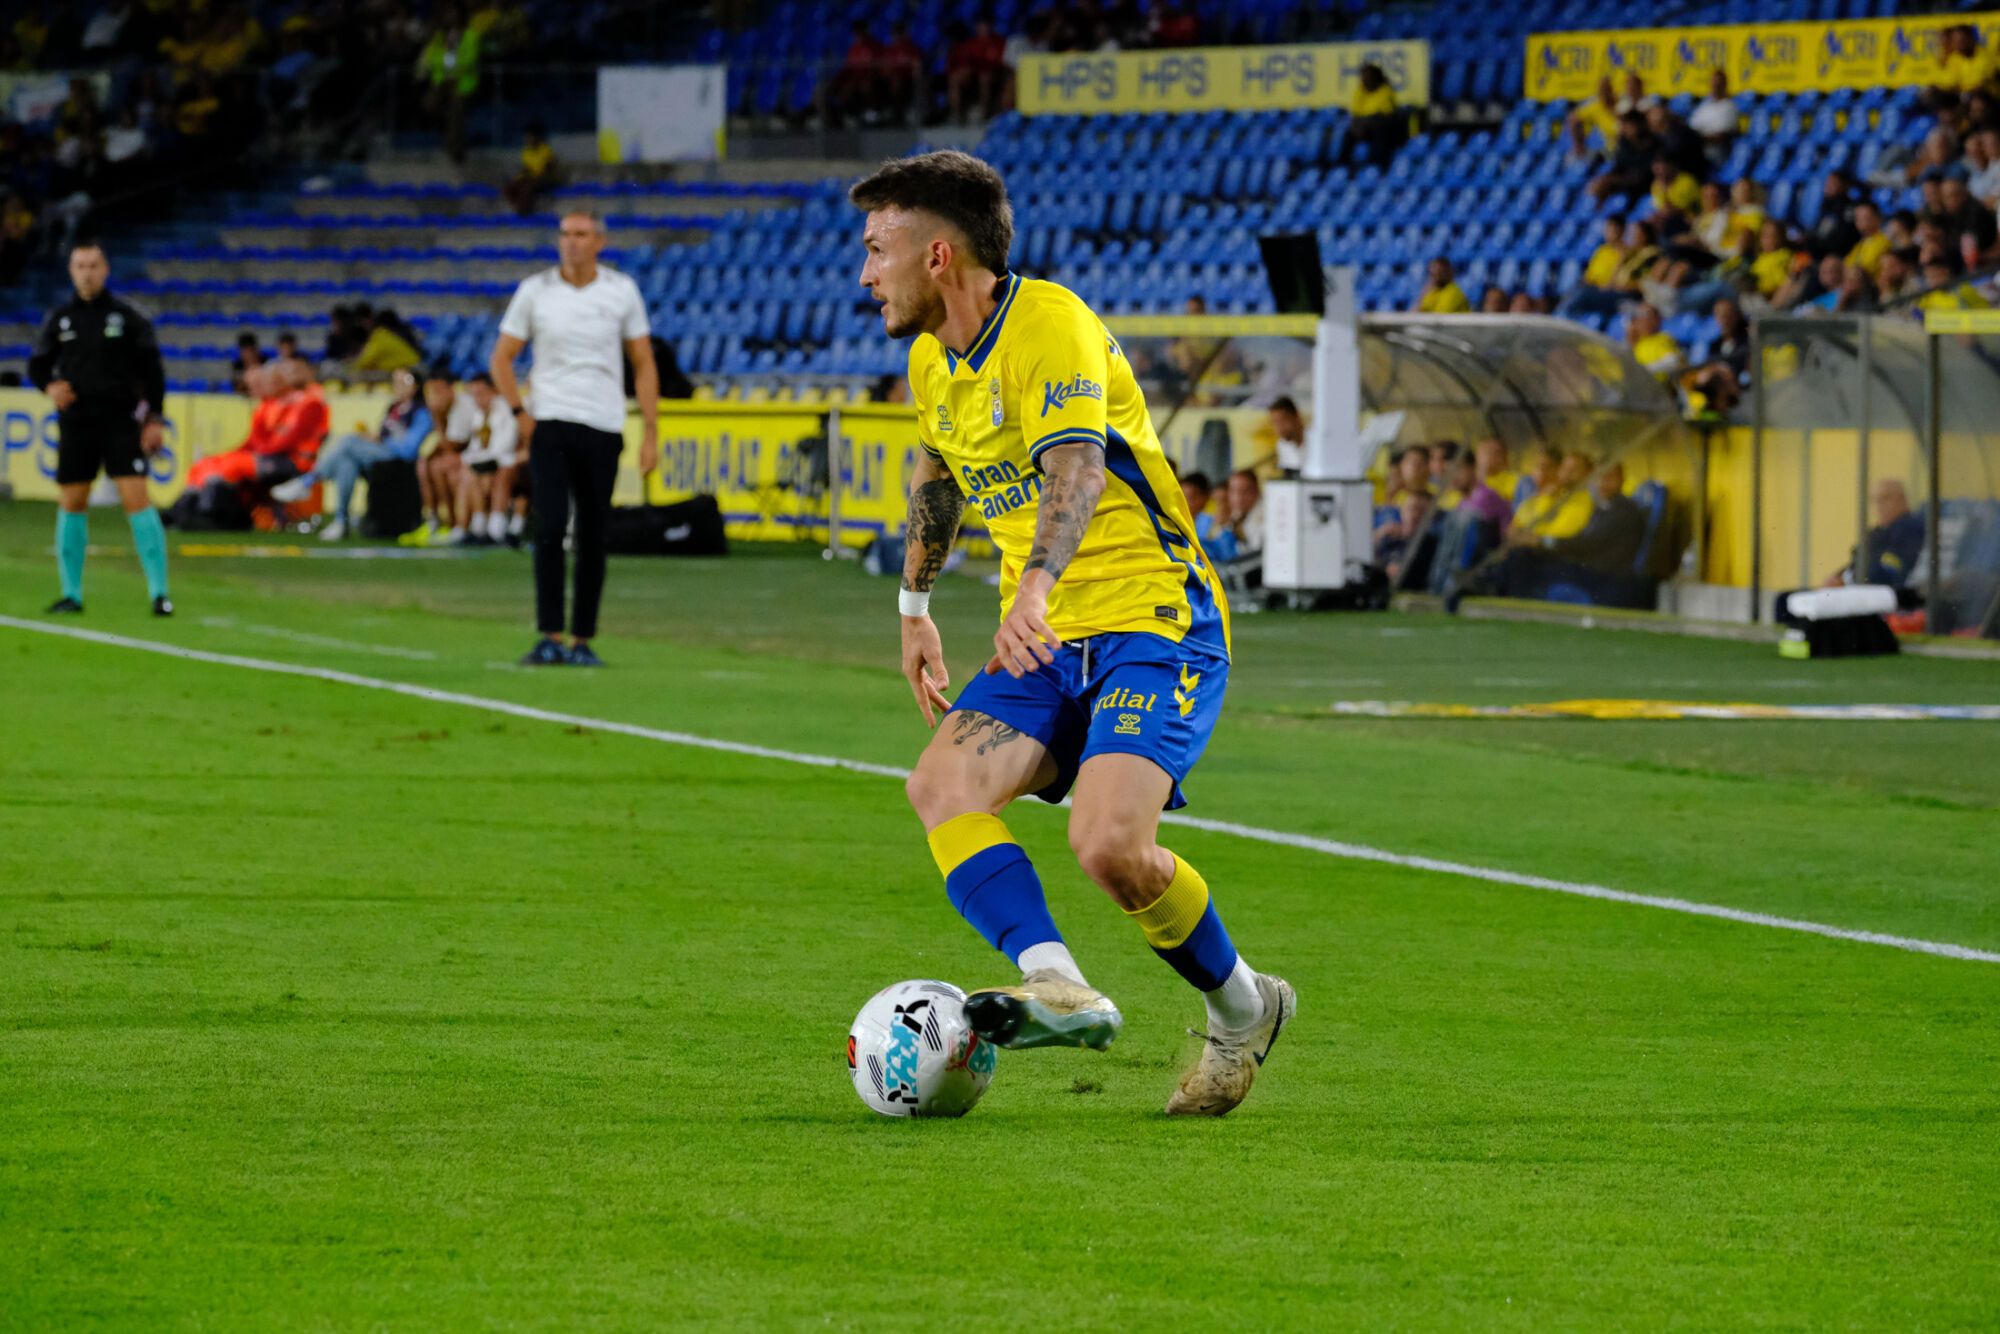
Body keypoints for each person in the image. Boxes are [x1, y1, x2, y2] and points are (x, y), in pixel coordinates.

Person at [851, 150, 1292, 1117]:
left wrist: (1035, 588)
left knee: (1108, 846)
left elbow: (1078, 470)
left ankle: (1244, 1008)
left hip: (1152, 618)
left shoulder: (1050, 325)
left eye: (878, 249)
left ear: (937, 255)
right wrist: (915, 611)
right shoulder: (931, 361)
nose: (865, 273)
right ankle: (1056, 981)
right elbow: (936, 474)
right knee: (940, 785)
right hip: (1046, 637)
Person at [492, 210, 657, 667]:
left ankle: (582, 638)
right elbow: (502, 357)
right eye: (565, 234)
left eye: (581, 234)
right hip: (551, 420)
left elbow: (643, 362)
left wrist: (651, 431)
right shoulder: (535, 291)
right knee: (548, 527)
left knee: (592, 533)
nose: (571, 242)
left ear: (599, 242)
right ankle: (549, 634)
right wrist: (519, 413)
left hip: (603, 422)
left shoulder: (621, 291)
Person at [27, 240, 172, 616]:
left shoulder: (127, 316)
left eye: (93, 266)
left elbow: (153, 371)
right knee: (72, 501)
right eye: (80, 266)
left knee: (136, 498)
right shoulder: (61, 318)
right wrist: (49, 386)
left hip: (120, 421)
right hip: (77, 422)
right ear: (71, 271)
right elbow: (38, 365)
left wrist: (154, 418)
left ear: (105, 270)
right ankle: (71, 593)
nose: (87, 273)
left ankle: (160, 593)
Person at [271, 366, 430, 540]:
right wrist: (373, 438)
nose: (397, 386)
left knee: (349, 442)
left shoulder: (421, 412)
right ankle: (341, 520)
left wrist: (381, 440)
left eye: (403, 382)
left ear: (416, 386)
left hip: (400, 463)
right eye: (395, 381)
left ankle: (308, 481)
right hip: (381, 458)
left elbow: (409, 450)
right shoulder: (394, 408)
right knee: (346, 462)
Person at [447, 371, 520, 546]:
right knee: (465, 473)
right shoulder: (479, 415)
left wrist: (471, 460)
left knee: (480, 473)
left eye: (481, 394)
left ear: (493, 391)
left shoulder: (506, 410)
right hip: (489, 463)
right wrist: (469, 460)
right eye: (474, 395)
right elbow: (475, 447)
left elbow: (503, 448)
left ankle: (486, 527)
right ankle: (472, 526)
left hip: (509, 462)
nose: (478, 399)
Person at [1845, 479, 1927, 587]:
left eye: (1885, 498)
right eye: (1875, 500)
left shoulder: (1909, 528)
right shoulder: (1879, 531)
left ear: (1902, 499)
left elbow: (1888, 573)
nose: (1879, 505)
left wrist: (1847, 579)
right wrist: (1839, 576)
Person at [1349, 62, 1403, 167]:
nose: (1364, 80)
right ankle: (1346, 167)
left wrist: (1364, 123)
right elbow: (1356, 112)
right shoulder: (1360, 91)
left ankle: (1377, 166)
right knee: (1346, 134)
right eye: (1363, 77)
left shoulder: (1385, 90)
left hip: (1383, 127)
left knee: (1380, 131)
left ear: (1375, 77)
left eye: (1367, 77)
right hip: (1364, 127)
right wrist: (1357, 126)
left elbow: (1383, 114)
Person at [503, 122, 558, 217]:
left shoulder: (546, 150)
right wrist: (518, 177)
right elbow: (526, 169)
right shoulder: (526, 152)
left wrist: (535, 176)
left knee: (527, 188)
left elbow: (548, 170)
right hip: (529, 178)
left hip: (542, 180)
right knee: (509, 188)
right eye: (526, 137)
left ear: (537, 137)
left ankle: (525, 211)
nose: (526, 139)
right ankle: (516, 208)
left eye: (529, 136)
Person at [1266, 394, 1305, 476]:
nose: (1279, 428)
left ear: (1296, 416)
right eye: (1275, 423)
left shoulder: (1318, 442)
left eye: (1282, 421)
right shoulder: (1282, 445)